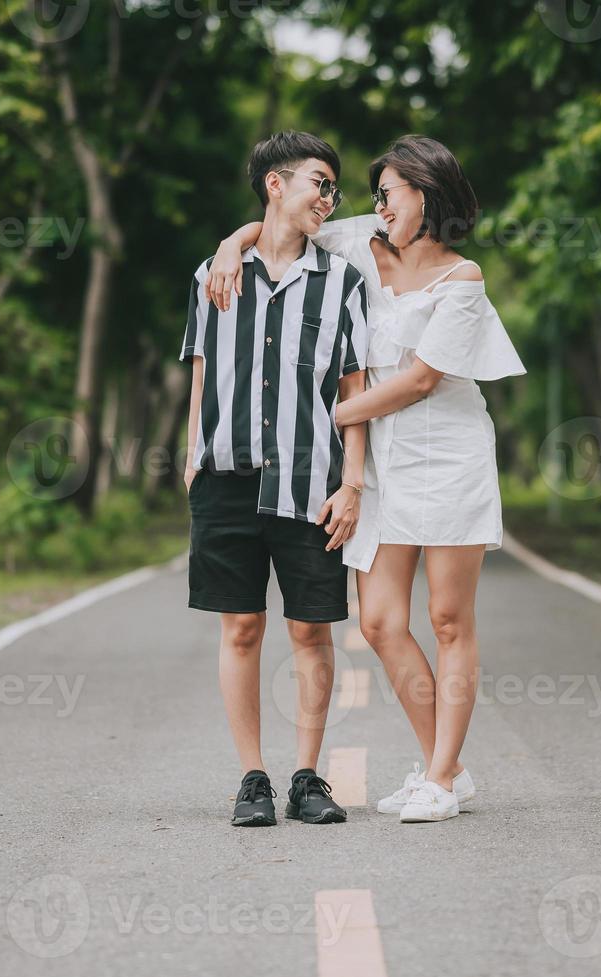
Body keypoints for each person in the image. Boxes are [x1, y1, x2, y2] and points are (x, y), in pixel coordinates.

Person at [206, 135, 525, 823]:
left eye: (388, 194)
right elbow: (283, 221)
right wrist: (233, 244)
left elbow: (418, 381)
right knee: (380, 623)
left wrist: (320, 412)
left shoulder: (462, 278)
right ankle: (452, 771)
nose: (375, 206)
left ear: (425, 193)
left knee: (446, 619)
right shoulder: (357, 243)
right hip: (378, 462)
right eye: (372, 195)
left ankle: (438, 774)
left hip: (445, 453)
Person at [180, 131, 370, 827]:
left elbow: (352, 392)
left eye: (333, 187)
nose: (327, 197)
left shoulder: (342, 281)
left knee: (311, 633)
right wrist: (191, 452)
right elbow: (201, 369)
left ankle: (307, 776)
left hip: (310, 482)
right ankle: (251, 777)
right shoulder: (215, 274)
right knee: (240, 629)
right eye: (318, 182)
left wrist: (352, 484)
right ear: (274, 185)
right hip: (225, 476)